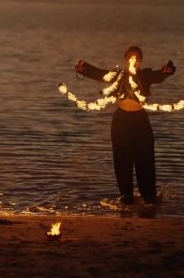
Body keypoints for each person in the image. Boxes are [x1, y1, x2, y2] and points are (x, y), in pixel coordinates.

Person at [74, 45, 176, 205]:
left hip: (140, 121)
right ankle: (126, 196)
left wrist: (169, 69)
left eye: (136, 58)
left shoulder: (145, 75)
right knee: (122, 159)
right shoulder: (117, 76)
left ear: (140, 61)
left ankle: (148, 196)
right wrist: (83, 68)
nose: (133, 61)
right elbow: (100, 74)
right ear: (125, 59)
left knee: (145, 158)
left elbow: (159, 75)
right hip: (121, 122)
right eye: (130, 57)